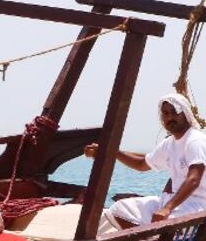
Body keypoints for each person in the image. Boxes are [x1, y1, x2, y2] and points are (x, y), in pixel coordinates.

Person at [88, 93, 206, 228]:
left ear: (185, 113)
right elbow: (142, 164)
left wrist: (167, 208)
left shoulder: (195, 141)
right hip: (170, 202)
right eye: (166, 113)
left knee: (163, 223)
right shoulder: (169, 143)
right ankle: (147, 240)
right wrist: (110, 152)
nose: (170, 117)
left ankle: (154, 240)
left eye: (174, 112)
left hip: (196, 206)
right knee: (120, 209)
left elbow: (194, 179)